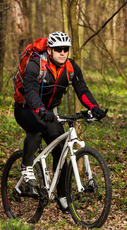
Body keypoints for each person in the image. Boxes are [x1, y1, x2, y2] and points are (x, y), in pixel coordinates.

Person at [14, 31, 107, 210]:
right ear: (49, 50)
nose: (62, 52)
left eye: (65, 49)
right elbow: (31, 90)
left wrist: (94, 108)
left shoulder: (71, 67)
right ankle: (26, 166)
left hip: (49, 111)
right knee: (37, 127)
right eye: (58, 49)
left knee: (61, 151)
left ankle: (62, 196)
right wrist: (40, 110)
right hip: (25, 108)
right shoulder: (36, 64)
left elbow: (82, 89)